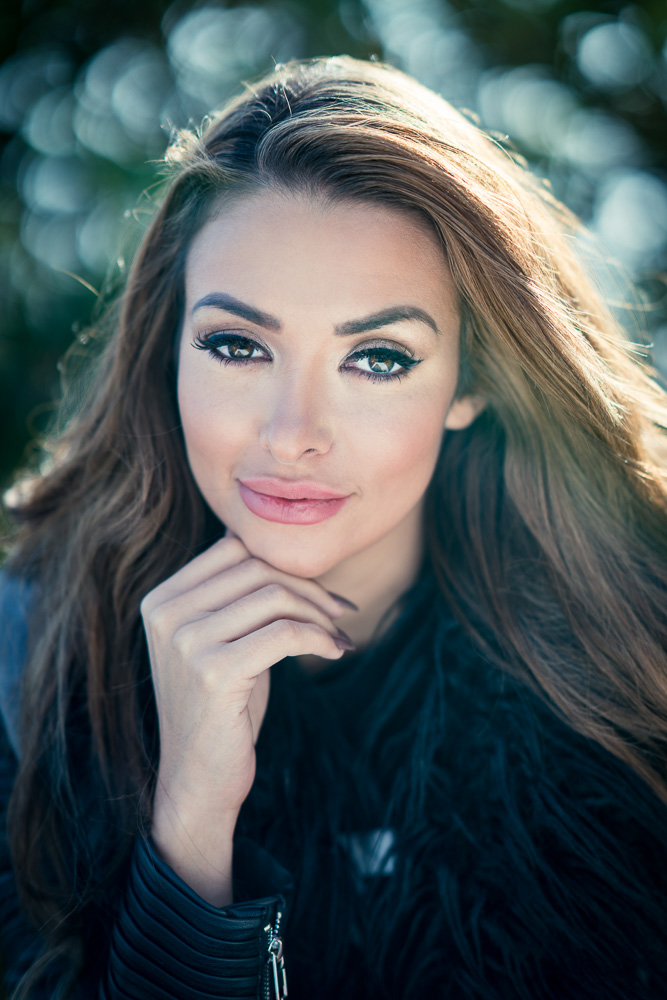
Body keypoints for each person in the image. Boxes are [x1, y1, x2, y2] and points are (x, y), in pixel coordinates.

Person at [0, 53, 666, 1000]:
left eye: (379, 358)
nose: (293, 434)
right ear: (167, 351)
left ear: (472, 381)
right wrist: (189, 828)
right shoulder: (25, 667)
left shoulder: (640, 665)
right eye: (237, 345)